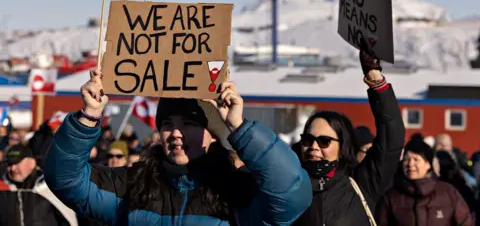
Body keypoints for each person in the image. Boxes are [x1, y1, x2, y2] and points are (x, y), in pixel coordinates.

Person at [44, 70, 312, 225]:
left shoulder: (237, 191)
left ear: (212, 134)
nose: (176, 133)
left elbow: (291, 195)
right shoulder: (134, 183)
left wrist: (239, 127)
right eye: (168, 123)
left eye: (189, 124)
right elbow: (67, 181)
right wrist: (89, 116)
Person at [293, 46, 406, 226]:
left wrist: (376, 81)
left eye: (324, 141)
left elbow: (391, 136)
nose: (313, 146)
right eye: (308, 139)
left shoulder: (361, 183)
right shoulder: (287, 186)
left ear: (342, 146)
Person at [376, 140, 474, 226]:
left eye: (416, 159)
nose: (410, 164)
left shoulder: (448, 192)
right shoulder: (391, 197)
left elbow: (465, 222)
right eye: (406, 159)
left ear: (428, 164)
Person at [0, 144, 75, 225]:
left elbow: (70, 220)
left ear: (32, 162)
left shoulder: (50, 187)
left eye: (17, 163)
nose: (13, 168)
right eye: (9, 165)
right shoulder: (4, 189)